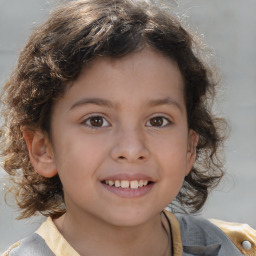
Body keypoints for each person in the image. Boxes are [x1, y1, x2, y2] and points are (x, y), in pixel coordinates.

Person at [1, 0, 255, 255]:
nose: (132, 149)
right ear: (43, 149)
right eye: (96, 121)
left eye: (157, 121)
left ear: (189, 148)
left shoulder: (239, 249)